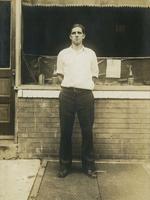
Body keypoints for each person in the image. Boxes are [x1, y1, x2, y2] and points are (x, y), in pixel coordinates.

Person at [56, 24, 99, 178]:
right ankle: (64, 165)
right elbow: (60, 75)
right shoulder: (63, 54)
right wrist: (70, 83)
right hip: (67, 94)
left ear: (84, 36)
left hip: (85, 95)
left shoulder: (91, 54)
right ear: (70, 36)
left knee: (87, 131)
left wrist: (84, 85)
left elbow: (94, 75)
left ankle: (88, 166)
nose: (76, 35)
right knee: (65, 131)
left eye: (79, 33)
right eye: (73, 33)